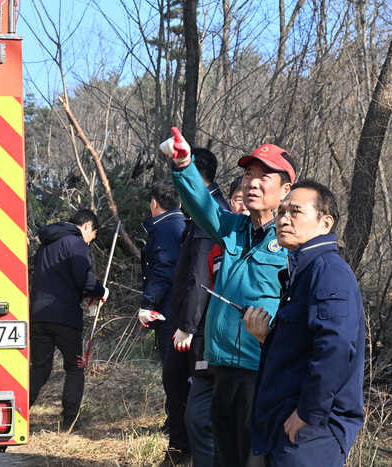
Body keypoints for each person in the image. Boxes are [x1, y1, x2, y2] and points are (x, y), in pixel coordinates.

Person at [160, 128, 295, 467]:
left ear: (285, 190)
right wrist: (184, 165)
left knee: (252, 460)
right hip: (222, 368)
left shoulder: (292, 243)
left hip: (261, 373)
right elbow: (200, 203)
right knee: (225, 457)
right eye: (248, 174)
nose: (252, 183)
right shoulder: (233, 228)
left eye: (264, 177)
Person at [243, 180, 364, 467]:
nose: (283, 219)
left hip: (312, 431)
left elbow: (336, 348)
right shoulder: (303, 271)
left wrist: (309, 411)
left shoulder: (328, 271)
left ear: (325, 223)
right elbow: (305, 346)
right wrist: (268, 337)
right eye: (281, 212)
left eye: (295, 211)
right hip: (290, 423)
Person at [160, 149, 228, 466]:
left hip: (199, 329)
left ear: (196, 177)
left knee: (198, 405)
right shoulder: (199, 214)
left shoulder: (208, 216)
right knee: (175, 384)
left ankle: (190, 455)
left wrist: (187, 326)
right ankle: (179, 452)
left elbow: (201, 276)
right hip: (192, 325)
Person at [183, 175, 248, 467]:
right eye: (237, 200)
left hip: (249, 359)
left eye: (246, 201)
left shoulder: (279, 245)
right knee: (197, 416)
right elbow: (202, 289)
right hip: (211, 350)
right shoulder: (216, 247)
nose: (243, 206)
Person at [28, 209, 109, 431]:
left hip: (38, 316)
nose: (89, 242)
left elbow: (59, 279)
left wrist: (85, 292)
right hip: (65, 317)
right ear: (87, 225)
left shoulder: (45, 245)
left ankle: (18, 413)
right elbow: (84, 279)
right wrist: (100, 291)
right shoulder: (76, 243)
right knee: (74, 367)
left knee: (39, 369)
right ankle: (70, 420)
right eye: (92, 237)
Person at [139, 181, 186, 363]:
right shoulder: (183, 223)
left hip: (170, 311)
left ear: (155, 203)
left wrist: (147, 304)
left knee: (172, 369)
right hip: (180, 309)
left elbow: (164, 269)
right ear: (179, 204)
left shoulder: (166, 228)